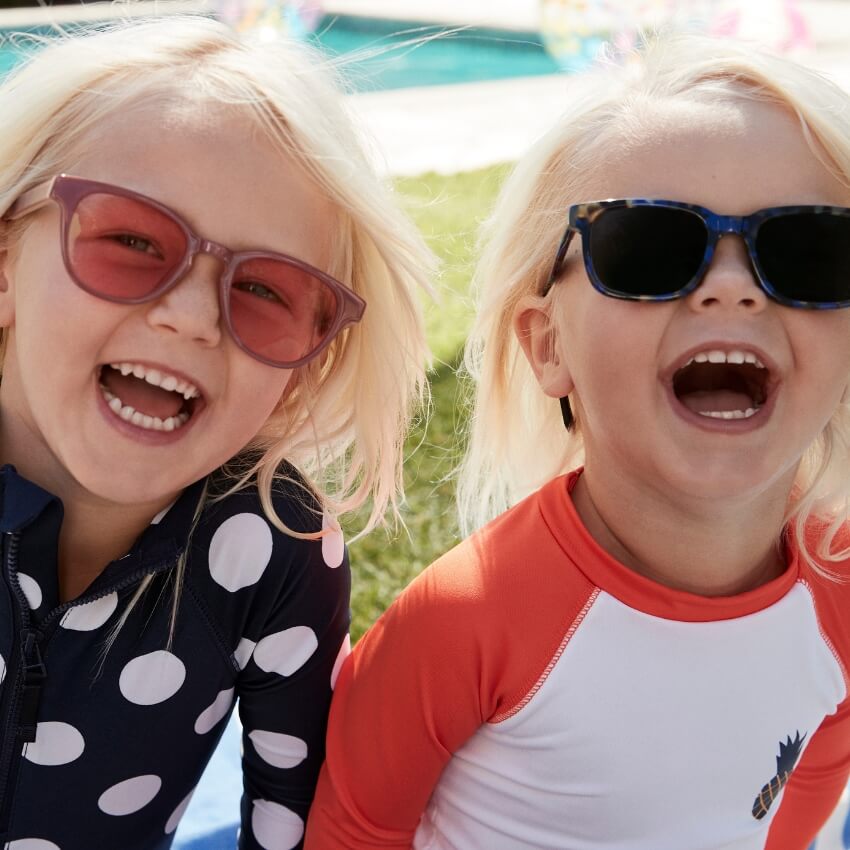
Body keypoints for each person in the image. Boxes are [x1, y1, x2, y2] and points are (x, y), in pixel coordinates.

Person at [306, 32, 850, 850]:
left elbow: (815, 765)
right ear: (547, 344)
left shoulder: (839, 592)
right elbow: (354, 829)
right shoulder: (466, 622)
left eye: (810, 252)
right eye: (648, 248)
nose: (732, 287)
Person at [0, 15, 431, 850]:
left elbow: (294, 827)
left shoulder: (272, 549)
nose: (193, 318)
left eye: (267, 291)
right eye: (130, 240)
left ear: (301, 369)